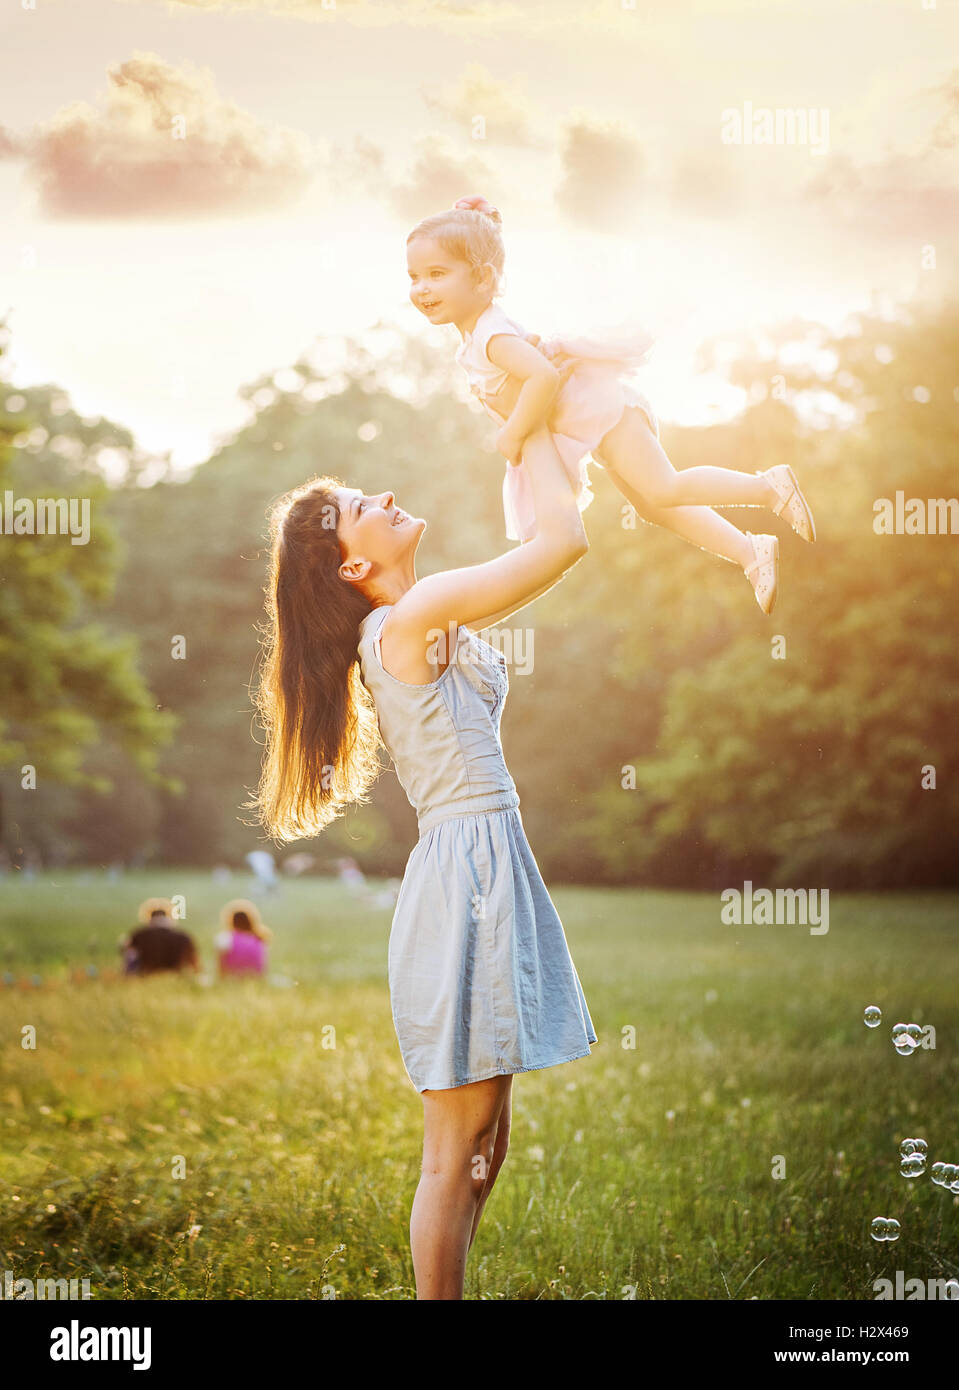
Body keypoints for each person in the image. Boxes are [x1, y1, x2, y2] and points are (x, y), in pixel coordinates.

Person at [246, 426, 596, 1299]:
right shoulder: (410, 619)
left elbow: (548, 540)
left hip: (487, 861)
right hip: (465, 880)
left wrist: (540, 437)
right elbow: (562, 543)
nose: (385, 499)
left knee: (488, 1139)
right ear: (351, 571)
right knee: (457, 1148)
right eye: (361, 509)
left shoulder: (416, 620)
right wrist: (541, 423)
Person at [405, 194, 818, 615]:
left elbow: (542, 377)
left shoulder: (491, 337)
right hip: (592, 423)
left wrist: (512, 432)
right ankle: (751, 552)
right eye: (414, 277)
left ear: (483, 279)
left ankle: (767, 487)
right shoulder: (479, 336)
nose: (422, 289)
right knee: (652, 505)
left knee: (664, 487)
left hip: (604, 413)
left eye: (436, 274)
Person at [121, 898, 198, 976]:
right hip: (174, 977)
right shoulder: (183, 937)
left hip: (146, 977)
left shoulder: (138, 935)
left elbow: (130, 961)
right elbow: (194, 964)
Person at [215, 899, 271, 977]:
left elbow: (220, 964)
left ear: (231, 921)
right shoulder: (259, 939)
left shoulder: (225, 937)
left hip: (232, 978)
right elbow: (264, 966)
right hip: (255, 978)